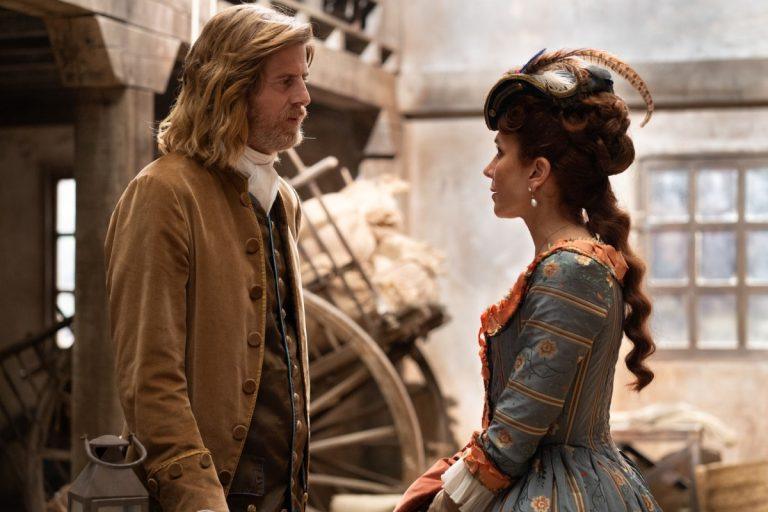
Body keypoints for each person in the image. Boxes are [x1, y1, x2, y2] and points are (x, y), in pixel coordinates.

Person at [395, 49, 661, 512]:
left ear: (537, 172)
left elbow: (519, 424)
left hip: (559, 495)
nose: (489, 169)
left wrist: (449, 502)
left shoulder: (572, 271)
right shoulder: (567, 263)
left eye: (500, 152)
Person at [105, 5, 313, 511]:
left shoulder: (283, 200)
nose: (304, 98)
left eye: (303, 80)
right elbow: (150, 380)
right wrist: (199, 500)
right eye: (286, 82)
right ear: (232, 88)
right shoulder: (163, 193)